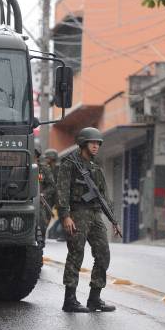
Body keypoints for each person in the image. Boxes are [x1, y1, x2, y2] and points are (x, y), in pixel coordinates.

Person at [56, 127, 120, 313]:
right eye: (93, 143)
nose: (96, 146)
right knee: (76, 254)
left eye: (98, 143)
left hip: (95, 214)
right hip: (77, 213)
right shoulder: (70, 163)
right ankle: (70, 299)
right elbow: (62, 191)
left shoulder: (95, 168)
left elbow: (104, 197)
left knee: (103, 253)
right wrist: (65, 215)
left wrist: (114, 221)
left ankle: (94, 298)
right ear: (83, 143)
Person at [39, 148, 64, 241]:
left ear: (52, 158)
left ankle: (64, 235)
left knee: (63, 214)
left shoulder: (59, 168)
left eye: (48, 157)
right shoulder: (45, 168)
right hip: (49, 195)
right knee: (46, 215)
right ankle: (43, 234)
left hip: (58, 195)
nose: (46, 159)